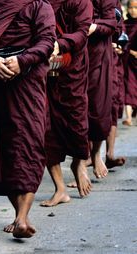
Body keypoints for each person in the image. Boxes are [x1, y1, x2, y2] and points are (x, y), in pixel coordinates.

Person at [0, 0, 56, 238]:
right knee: (0, 148)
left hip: (27, 81)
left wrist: (21, 61)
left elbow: (47, 42)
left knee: (29, 142)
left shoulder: (39, 5)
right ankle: (19, 216)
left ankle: (22, 217)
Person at [40, 0, 93, 207]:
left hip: (73, 70)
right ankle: (60, 189)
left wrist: (59, 44)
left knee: (77, 123)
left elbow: (82, 32)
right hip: (44, 69)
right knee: (46, 129)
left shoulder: (81, 2)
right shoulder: (42, 3)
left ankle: (79, 163)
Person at [67, 0, 118, 189]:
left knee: (97, 107)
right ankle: (80, 162)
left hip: (98, 54)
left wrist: (93, 27)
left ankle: (96, 153)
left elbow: (112, 23)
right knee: (75, 108)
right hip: (74, 52)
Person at [105, 1, 126, 169]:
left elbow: (120, 29)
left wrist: (119, 45)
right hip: (93, 55)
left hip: (112, 60)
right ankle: (89, 157)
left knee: (112, 105)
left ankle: (109, 154)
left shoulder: (115, 3)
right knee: (90, 106)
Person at [122, 0, 137, 126]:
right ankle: (128, 118)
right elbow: (123, 42)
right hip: (128, 60)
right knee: (129, 86)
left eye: (136, 8)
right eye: (131, 7)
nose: (133, 10)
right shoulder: (125, 24)